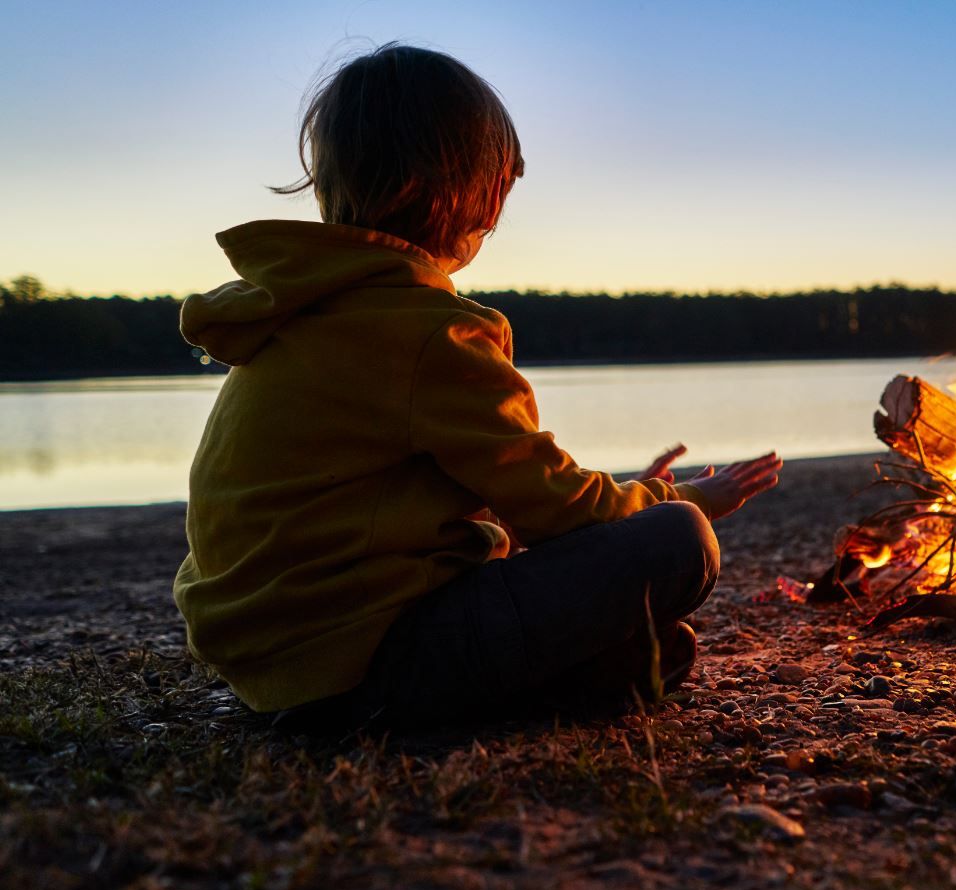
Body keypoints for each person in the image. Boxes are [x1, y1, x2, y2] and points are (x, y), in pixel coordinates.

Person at [173, 44, 781, 730]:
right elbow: (555, 511)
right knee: (680, 539)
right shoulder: (431, 332)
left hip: (272, 665)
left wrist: (601, 510)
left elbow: (433, 511)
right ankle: (438, 705)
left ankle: (557, 676)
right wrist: (687, 496)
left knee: (651, 643)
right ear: (471, 192)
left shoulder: (296, 311)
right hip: (362, 666)